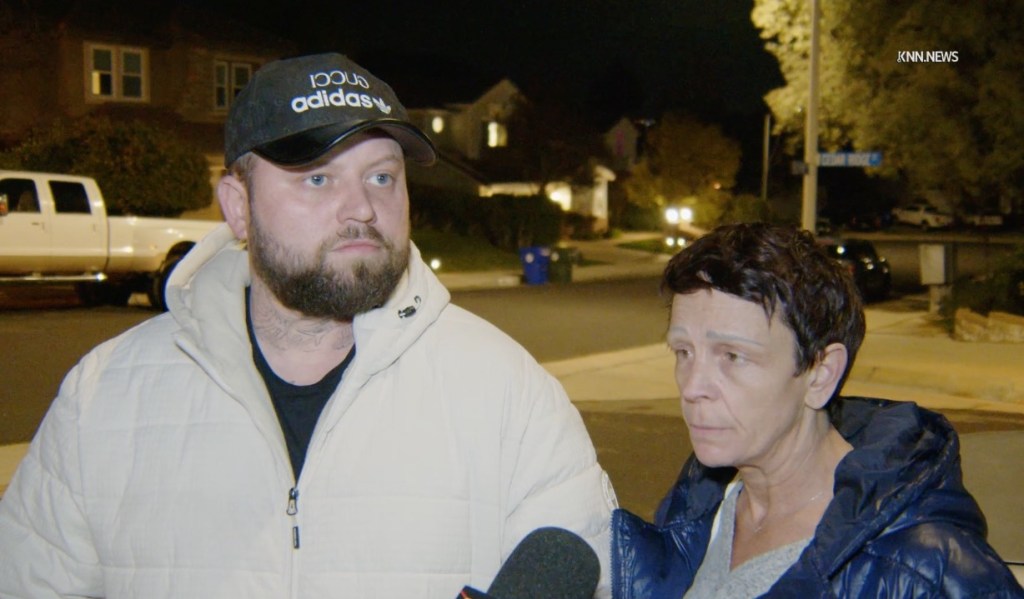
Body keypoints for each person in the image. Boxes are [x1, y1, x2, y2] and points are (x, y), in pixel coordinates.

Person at [0, 52, 617, 598]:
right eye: (317, 177)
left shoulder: (509, 392)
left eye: (382, 176)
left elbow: (594, 570)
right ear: (238, 207)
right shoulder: (103, 398)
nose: (362, 207)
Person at [610, 223, 1024, 598]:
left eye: (732, 356)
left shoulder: (925, 573)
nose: (693, 386)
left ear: (821, 374)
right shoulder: (693, 515)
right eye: (683, 351)